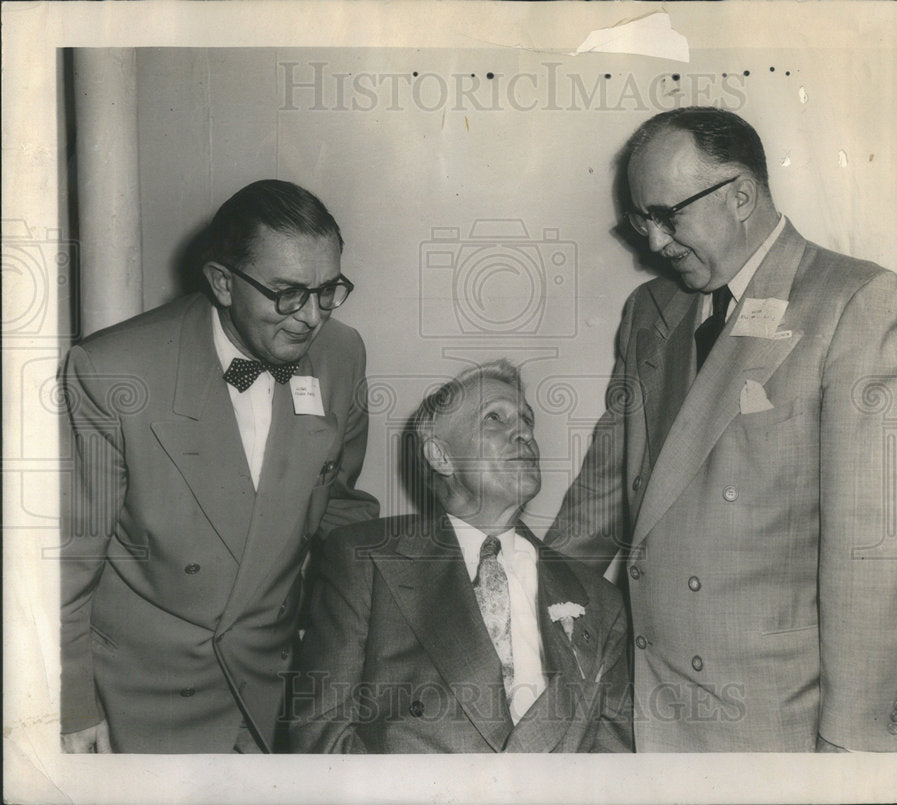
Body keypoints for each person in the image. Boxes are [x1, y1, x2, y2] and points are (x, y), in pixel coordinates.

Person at [547, 107, 897, 752]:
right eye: (641, 220)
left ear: (739, 196)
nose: (655, 243)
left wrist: (850, 745)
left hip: (768, 720)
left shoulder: (857, 302)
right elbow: (601, 494)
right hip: (636, 704)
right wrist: (525, 612)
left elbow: (885, 551)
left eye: (667, 216)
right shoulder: (650, 310)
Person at [60, 179, 379, 753]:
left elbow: (339, 511)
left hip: (273, 688)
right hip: (138, 699)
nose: (311, 317)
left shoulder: (342, 355)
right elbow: (65, 567)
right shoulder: (113, 372)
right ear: (222, 282)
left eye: (328, 290)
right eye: (288, 293)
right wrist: (71, 708)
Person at [288, 360, 633, 753]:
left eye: (527, 420)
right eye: (495, 418)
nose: (524, 433)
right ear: (441, 456)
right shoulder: (366, 559)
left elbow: (614, 764)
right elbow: (322, 739)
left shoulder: (600, 600)